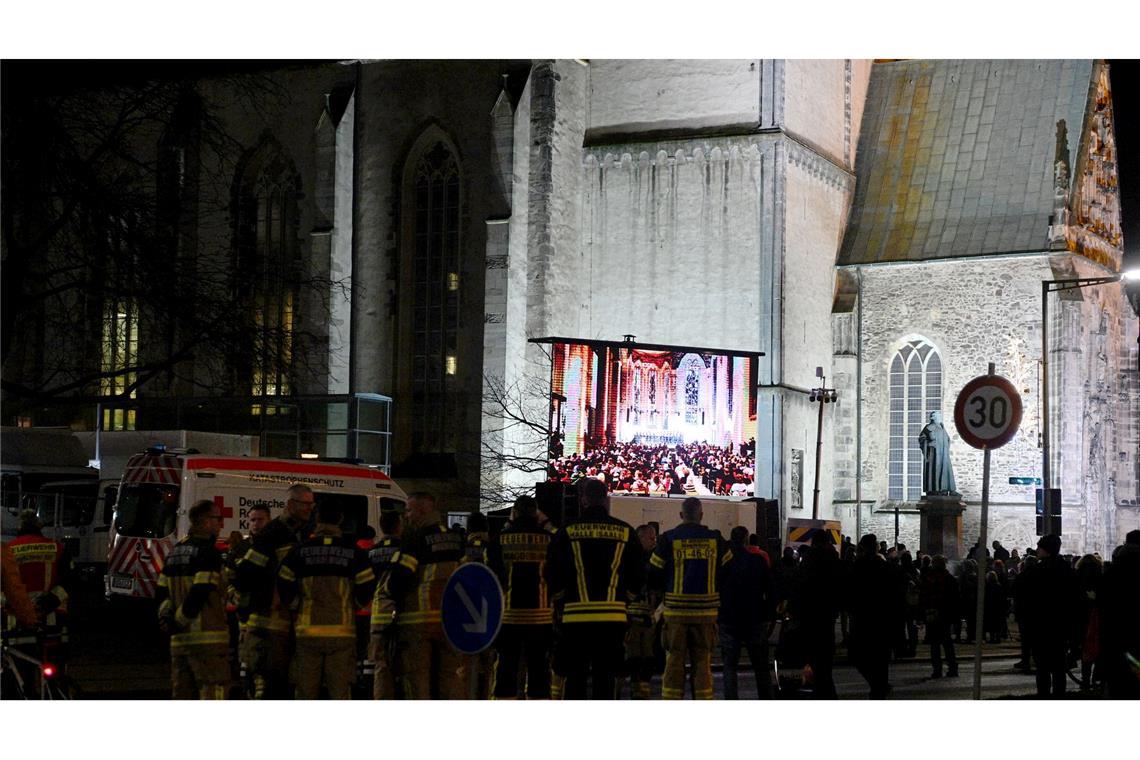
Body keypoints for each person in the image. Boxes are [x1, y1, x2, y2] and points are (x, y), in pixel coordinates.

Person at [545, 477, 644, 699]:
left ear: (583, 500)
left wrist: (561, 602)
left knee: (575, 680)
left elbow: (552, 572)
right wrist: (625, 600)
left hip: (575, 619)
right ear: (607, 500)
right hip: (612, 620)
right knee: (605, 681)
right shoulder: (625, 531)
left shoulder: (567, 532)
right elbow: (639, 573)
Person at [277, 500, 374, 699]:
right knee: (339, 690)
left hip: (307, 632)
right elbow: (367, 586)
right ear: (340, 520)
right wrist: (351, 606)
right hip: (342, 632)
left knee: (305, 690)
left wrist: (297, 605)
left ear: (317, 519)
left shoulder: (299, 551)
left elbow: (283, 581)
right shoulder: (354, 552)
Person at [378, 492, 467, 699]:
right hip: (450, 621)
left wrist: (389, 591)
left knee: (417, 679)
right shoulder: (456, 539)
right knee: (450, 676)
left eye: (409, 510)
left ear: (421, 511)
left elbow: (400, 579)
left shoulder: (415, 539)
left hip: (419, 621)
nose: (406, 516)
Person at [235, 483, 315, 698]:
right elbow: (244, 575)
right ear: (290, 504)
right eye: (305, 504)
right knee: (268, 686)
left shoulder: (302, 533)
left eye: (311, 504)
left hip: (290, 625)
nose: (310, 508)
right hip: (268, 625)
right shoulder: (271, 535)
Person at [649, 497, 731, 700]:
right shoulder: (716, 540)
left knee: (674, 661)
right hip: (706, 613)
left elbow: (653, 573)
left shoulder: (668, 539)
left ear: (680, 515)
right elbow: (728, 572)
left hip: (676, 613)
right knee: (703, 662)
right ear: (701, 516)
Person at [156, 499, 230, 699]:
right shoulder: (208, 553)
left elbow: (161, 590)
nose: (220, 524)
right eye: (217, 519)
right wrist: (180, 621)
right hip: (207, 641)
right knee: (213, 691)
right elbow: (200, 590)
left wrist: (167, 619)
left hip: (179, 643)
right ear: (205, 522)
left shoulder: (174, 553)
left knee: (182, 694)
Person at [486, 495, 554, 699]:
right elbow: (557, 571)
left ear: (514, 512)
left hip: (508, 617)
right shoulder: (548, 538)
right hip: (541, 617)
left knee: (506, 668)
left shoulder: (500, 539)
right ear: (536, 513)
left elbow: (491, 574)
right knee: (539, 670)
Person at [7, 509, 74, 673]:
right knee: (57, 670)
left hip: (18, 624)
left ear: (19, 527)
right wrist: (50, 601)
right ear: (39, 527)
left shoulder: (7, 551)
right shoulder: (57, 548)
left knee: (21, 670)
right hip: (52, 622)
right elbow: (70, 581)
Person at [1018, 534, 1080, 697]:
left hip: (1040, 627)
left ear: (1045, 550)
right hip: (1061, 627)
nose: (1037, 550)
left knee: (1043, 669)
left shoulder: (1036, 571)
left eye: (1039, 547)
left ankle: (1044, 697)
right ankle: (1059, 696)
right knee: (1059, 668)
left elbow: (1022, 594)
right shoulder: (1067, 570)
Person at [718, 525, 774, 699]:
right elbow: (770, 588)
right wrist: (769, 614)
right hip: (754, 618)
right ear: (746, 540)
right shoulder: (757, 561)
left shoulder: (724, 563)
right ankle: (765, 698)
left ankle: (731, 698)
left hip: (729, 619)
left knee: (729, 666)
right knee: (761, 666)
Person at [847, 534, 904, 699]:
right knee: (880, 661)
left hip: (866, 619)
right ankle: (880, 687)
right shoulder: (884, 567)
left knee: (861, 657)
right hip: (881, 620)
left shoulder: (859, 567)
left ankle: (878, 687)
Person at [793, 531, 845, 699]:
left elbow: (802, 586)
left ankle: (822, 690)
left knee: (814, 656)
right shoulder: (834, 559)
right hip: (827, 613)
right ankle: (825, 690)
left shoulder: (809, 559)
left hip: (811, 613)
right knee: (825, 657)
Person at [1098, 529, 1140, 698]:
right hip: (1136, 633)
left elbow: (1102, 601)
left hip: (1115, 635)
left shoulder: (1113, 571)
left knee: (1118, 680)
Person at [621, 524, 659, 699]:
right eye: (651, 538)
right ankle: (635, 689)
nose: (654, 541)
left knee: (648, 657)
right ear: (640, 537)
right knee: (634, 656)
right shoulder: (631, 558)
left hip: (647, 615)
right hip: (632, 614)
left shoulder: (651, 558)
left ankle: (641, 691)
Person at [369, 510, 403, 699]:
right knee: (409, 664)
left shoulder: (372, 552)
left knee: (381, 666)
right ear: (399, 526)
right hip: (403, 613)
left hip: (378, 614)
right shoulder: (406, 550)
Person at [461, 510, 494, 699]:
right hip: (491, 612)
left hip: (465, 614)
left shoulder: (461, 547)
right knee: (490, 663)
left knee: (465, 665)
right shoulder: (493, 546)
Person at [919, 554, 959, 678]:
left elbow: (923, 596)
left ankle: (937, 669)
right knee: (947, 643)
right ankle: (952, 668)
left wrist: (923, 612)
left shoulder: (928, 578)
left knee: (935, 644)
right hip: (944, 614)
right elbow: (955, 598)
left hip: (933, 614)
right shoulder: (949, 579)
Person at [918, 410, 956, 494]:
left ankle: (945, 489)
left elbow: (948, 439)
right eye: (938, 416)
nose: (940, 417)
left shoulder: (942, 427)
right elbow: (921, 438)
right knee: (935, 470)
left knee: (946, 470)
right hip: (933, 454)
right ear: (933, 418)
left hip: (943, 454)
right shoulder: (928, 427)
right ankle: (935, 490)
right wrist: (928, 444)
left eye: (940, 416)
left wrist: (945, 445)